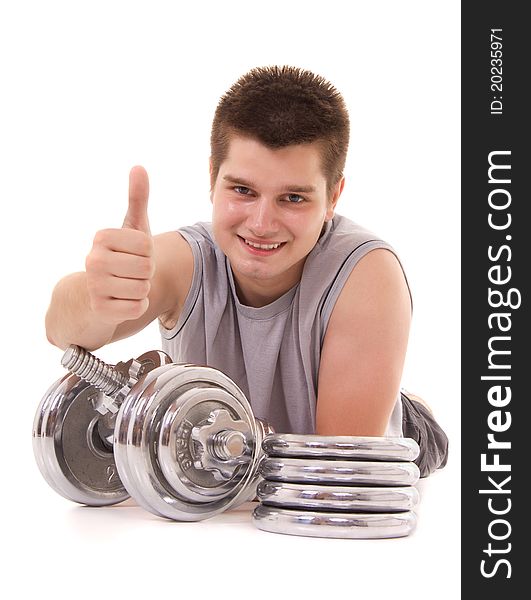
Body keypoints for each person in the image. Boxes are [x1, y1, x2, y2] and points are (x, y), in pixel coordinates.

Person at [45, 65, 448, 476]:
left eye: (292, 198)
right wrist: (100, 297)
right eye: (242, 190)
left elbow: (333, 475)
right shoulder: (187, 260)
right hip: (235, 451)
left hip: (378, 436)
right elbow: (59, 330)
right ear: (212, 178)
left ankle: (410, 409)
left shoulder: (368, 274)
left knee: (411, 432)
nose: (260, 223)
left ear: (333, 197)